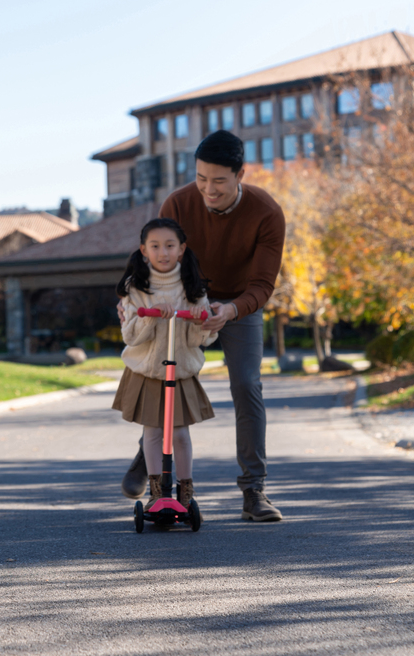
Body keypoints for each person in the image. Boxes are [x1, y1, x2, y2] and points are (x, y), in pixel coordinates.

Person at [121, 129, 286, 522]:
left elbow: (263, 284)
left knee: (247, 384)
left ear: (240, 175)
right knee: (163, 378)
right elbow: (154, 255)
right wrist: (130, 300)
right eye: (200, 179)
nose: (208, 190)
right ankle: (152, 458)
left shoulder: (267, 213)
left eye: (218, 182)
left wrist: (229, 310)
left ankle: (254, 491)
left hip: (237, 307)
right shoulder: (178, 203)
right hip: (182, 302)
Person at [113, 218, 217, 511]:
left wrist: (199, 320)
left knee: (181, 434)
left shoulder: (192, 286)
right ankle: (157, 490)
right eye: (155, 246)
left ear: (182, 249)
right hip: (148, 371)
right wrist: (151, 314)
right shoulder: (136, 288)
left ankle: (186, 489)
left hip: (180, 371)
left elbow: (202, 339)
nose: (163, 253)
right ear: (143, 250)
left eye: (170, 246)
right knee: (154, 432)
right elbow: (131, 335)